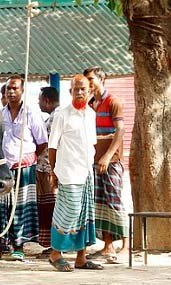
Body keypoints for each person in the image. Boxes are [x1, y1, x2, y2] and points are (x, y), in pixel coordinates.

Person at [0, 75, 48, 261]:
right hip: (3, 168)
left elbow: (42, 143)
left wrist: (28, 157)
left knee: (21, 208)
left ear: (22, 90)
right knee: (0, 208)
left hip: (24, 167)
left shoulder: (31, 113)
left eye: (15, 88)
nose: (11, 92)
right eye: (8, 88)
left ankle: (19, 247)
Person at [47, 75, 103, 272]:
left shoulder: (91, 114)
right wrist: (53, 172)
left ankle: (81, 257)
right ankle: (55, 254)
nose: (79, 92)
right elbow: (52, 146)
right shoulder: (62, 114)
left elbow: (92, 144)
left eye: (83, 89)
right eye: (75, 89)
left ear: (90, 92)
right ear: (70, 91)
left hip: (87, 171)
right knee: (69, 210)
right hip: (68, 171)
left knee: (85, 213)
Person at [83, 67, 129, 263]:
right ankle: (107, 245)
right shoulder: (91, 104)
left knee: (115, 202)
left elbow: (120, 130)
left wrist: (108, 156)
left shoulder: (114, 102)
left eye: (91, 79)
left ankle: (127, 246)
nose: (89, 83)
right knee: (100, 204)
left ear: (102, 79)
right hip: (94, 159)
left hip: (111, 161)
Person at [36, 87, 60, 256]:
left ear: (46, 101)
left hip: (48, 168)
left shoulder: (55, 118)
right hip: (49, 167)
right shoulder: (55, 117)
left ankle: (55, 244)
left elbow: (47, 145)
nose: (38, 103)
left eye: (40, 100)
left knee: (51, 206)